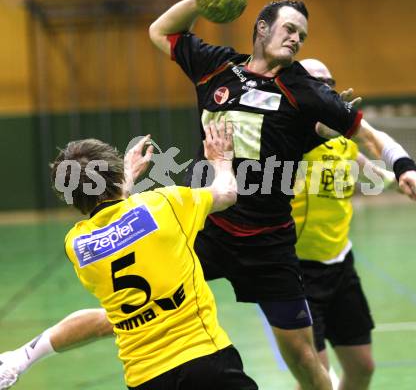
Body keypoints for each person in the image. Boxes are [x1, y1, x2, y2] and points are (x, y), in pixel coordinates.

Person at [0, 0, 416, 390]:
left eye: (302, 35)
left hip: (268, 243)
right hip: (206, 227)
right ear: (261, 28)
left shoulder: (306, 91)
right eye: (288, 29)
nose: (296, 40)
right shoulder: (216, 66)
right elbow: (161, 30)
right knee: (128, 314)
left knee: (303, 356)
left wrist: (405, 168)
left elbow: (369, 135)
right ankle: (22, 356)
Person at [0, 120, 259, 390]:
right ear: (115, 176)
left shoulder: (76, 244)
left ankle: (20, 358)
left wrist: (122, 179)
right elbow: (226, 193)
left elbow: (115, 218)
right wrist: (221, 160)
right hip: (205, 359)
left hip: (145, 378)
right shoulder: (165, 204)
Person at [293, 58, 395, 390]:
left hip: (340, 264)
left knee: (362, 367)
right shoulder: (287, 136)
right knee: (316, 378)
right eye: (315, 81)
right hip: (297, 272)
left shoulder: (342, 138)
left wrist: (395, 177)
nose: (325, 87)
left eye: (330, 82)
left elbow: (363, 162)